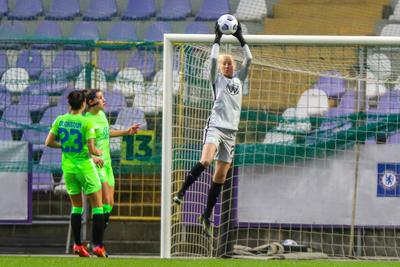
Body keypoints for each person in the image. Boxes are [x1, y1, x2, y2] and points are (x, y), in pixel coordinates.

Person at [173, 21, 252, 237]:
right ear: (220, 67)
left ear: (234, 66)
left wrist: (240, 38)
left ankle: (206, 216)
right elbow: (211, 60)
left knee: (220, 177)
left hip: (231, 133)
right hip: (216, 127)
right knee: (206, 160)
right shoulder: (215, 80)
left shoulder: (239, 81)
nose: (227, 66)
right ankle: (181, 192)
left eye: (230, 64)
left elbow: (250, 59)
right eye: (224, 64)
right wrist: (217, 39)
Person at [45, 90, 107, 257]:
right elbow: (92, 149)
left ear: (69, 104)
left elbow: (48, 142)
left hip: (68, 169)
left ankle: (78, 245)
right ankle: (98, 246)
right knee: (98, 207)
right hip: (85, 168)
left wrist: (63, 146)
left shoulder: (60, 120)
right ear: (84, 104)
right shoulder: (87, 123)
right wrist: (98, 152)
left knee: (76, 207)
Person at [83, 89, 140, 233]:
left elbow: (107, 133)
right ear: (91, 102)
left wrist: (127, 132)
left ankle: (96, 240)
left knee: (110, 204)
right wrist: (92, 157)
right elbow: (81, 145)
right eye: (101, 98)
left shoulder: (102, 115)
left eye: (103, 97)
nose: (104, 100)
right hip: (97, 165)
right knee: (105, 201)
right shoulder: (86, 120)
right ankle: (97, 242)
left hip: (107, 163)